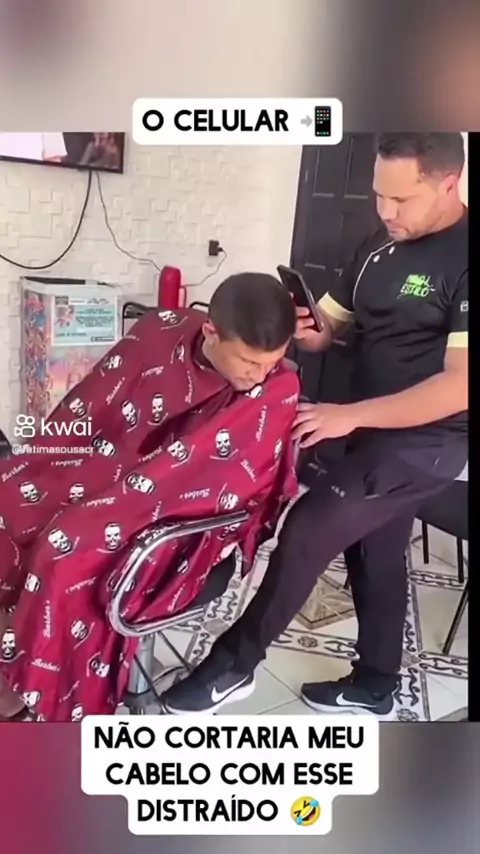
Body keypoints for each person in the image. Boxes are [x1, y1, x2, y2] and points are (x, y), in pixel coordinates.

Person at [162, 133, 468, 720]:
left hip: (429, 442)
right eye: (379, 195)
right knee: (376, 551)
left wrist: (347, 416)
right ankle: (377, 684)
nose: (385, 211)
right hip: (370, 427)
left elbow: (460, 384)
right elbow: (334, 326)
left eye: (401, 199)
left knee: (309, 526)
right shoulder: (380, 244)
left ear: (448, 184)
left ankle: (233, 665)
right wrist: (312, 332)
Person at [0, 273, 299, 722]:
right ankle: (13, 644)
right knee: (9, 497)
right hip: (110, 469)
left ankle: (31, 691)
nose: (258, 375)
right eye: (247, 361)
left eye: (270, 362)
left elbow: (220, 486)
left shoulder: (274, 389)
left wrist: (115, 503)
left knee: (62, 550)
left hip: (179, 517)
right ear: (210, 331)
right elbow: (93, 406)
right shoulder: (161, 332)